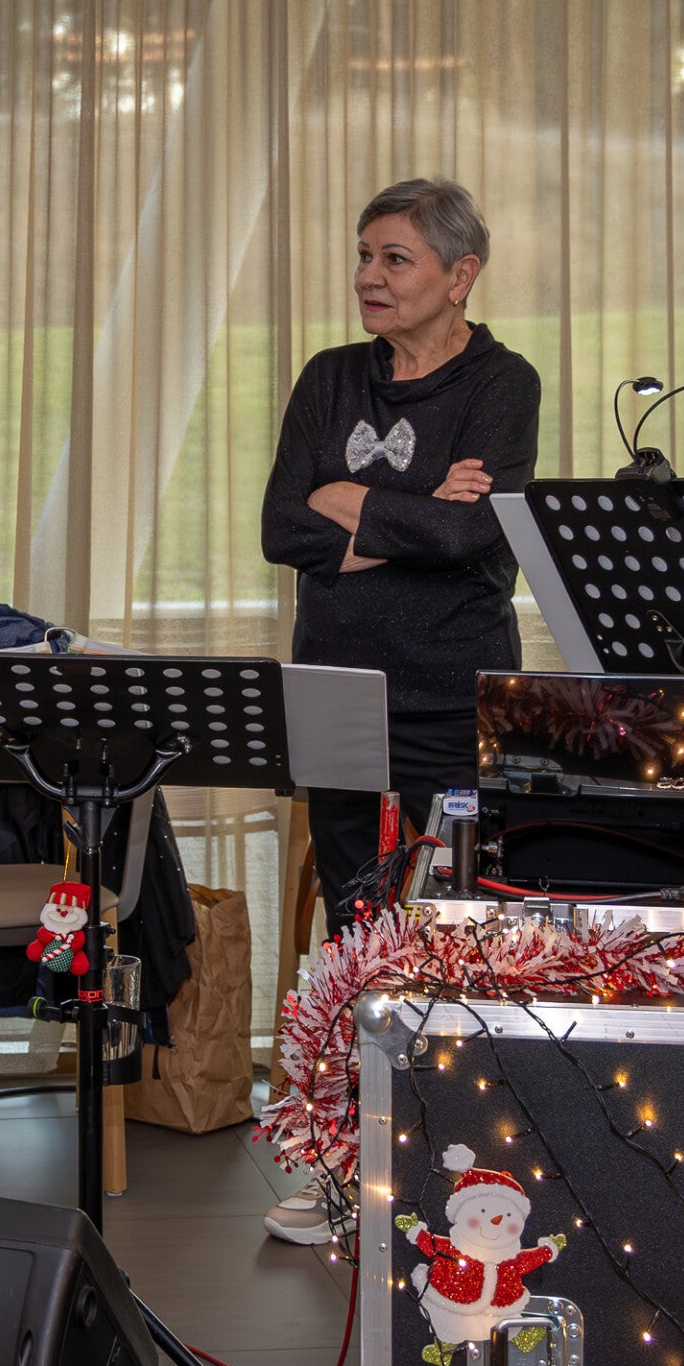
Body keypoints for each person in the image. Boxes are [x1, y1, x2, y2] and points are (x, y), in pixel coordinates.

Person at [258, 177, 539, 1245]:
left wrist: (350, 505)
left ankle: (458, 1170)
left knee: (455, 933)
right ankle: (348, 1172)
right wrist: (415, 514)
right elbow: (282, 526)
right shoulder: (331, 378)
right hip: (339, 688)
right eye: (364, 255)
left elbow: (476, 540)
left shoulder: (502, 383)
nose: (368, 277)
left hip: (451, 696)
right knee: (354, 929)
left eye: (394, 259)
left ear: (460, 276)